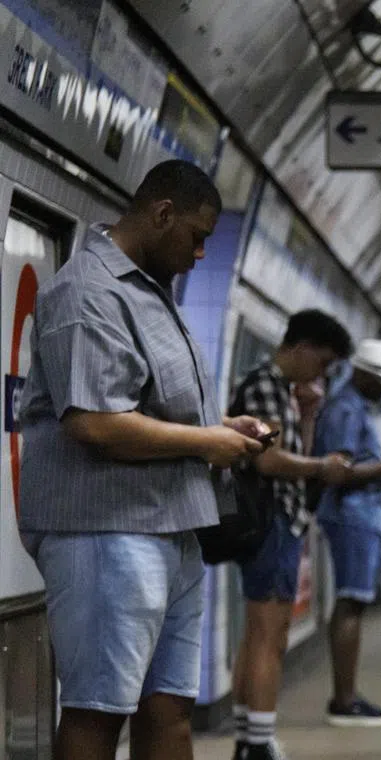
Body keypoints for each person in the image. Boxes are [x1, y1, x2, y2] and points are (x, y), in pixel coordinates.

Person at [17, 160, 269, 760]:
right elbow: (95, 423)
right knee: (98, 713)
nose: (202, 253)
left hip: (170, 529)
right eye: (197, 236)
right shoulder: (87, 291)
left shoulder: (153, 295)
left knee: (170, 709)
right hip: (106, 533)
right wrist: (207, 443)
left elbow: (154, 409)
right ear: (161, 214)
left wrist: (221, 429)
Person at [229, 309, 355, 760]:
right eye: (321, 363)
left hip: (278, 521)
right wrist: (324, 467)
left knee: (260, 632)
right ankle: (258, 743)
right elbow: (269, 460)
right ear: (300, 349)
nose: (321, 374)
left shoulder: (282, 390)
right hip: (271, 522)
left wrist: (308, 415)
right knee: (269, 633)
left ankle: (251, 736)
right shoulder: (265, 384)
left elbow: (290, 448)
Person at [313, 339, 381, 726]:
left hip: (358, 515)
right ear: (361, 373)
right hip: (352, 514)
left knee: (351, 602)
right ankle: (345, 700)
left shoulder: (353, 406)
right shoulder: (345, 409)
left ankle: (346, 695)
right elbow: (339, 472)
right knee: (351, 602)